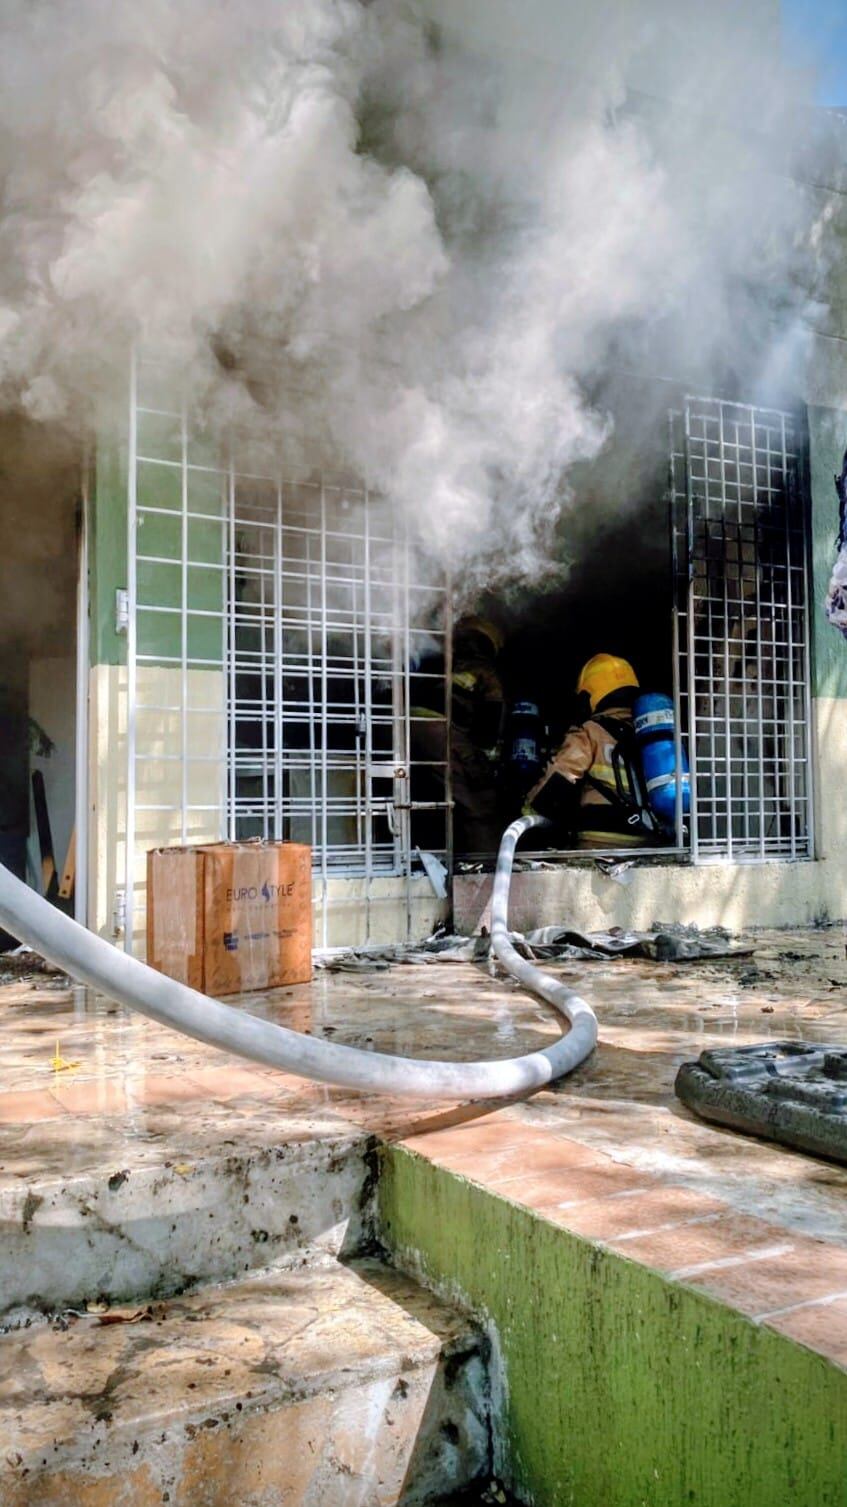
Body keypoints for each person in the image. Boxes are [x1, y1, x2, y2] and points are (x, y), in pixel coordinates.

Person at [526, 653, 654, 850]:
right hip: (647, 839)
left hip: (599, 839)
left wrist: (528, 810)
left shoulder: (591, 731)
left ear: (590, 696)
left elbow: (561, 776)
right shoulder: (648, 733)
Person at [410, 615, 506, 856]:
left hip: (407, 727)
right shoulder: (486, 673)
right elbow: (488, 729)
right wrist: (483, 768)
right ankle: (484, 867)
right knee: (479, 804)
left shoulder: (442, 662)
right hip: (440, 731)